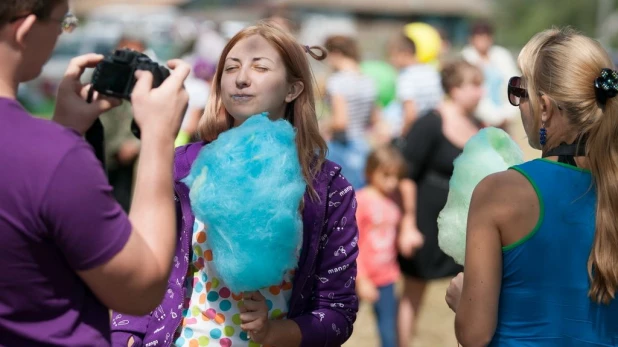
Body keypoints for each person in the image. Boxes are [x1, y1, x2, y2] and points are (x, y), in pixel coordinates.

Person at [111, 22, 359, 347]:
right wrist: (126, 332)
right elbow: (139, 261)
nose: (241, 78)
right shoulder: (182, 167)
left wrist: (275, 333)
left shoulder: (326, 188)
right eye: (231, 68)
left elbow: (337, 312)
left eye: (260, 67)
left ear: (292, 89)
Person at [0, 1, 191, 345]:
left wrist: (67, 130)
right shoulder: (49, 157)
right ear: (24, 30)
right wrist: (159, 136)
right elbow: (140, 289)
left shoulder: (47, 153)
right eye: (63, 23)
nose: (61, 34)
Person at [445, 27, 618, 346]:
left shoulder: (499, 193)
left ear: (545, 107)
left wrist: (461, 300)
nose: (517, 102)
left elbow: (474, 335)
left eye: (519, 90)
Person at [396, 60, 484, 347]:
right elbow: (406, 175)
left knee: (469, 292)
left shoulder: (479, 125)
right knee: (414, 290)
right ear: (455, 88)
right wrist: (408, 223)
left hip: (463, 224)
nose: (481, 92)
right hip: (425, 219)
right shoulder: (430, 122)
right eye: (474, 85)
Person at [355, 146, 407, 347]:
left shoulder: (394, 198)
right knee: (338, 327)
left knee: (388, 333)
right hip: (359, 278)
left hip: (387, 277)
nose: (392, 182)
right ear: (369, 172)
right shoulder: (361, 200)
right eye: (386, 175)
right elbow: (353, 242)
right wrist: (361, 279)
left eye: (396, 176)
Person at [323, 35, 379, 189]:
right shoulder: (368, 80)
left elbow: (341, 121)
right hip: (363, 145)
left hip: (342, 148)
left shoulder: (337, 81)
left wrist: (320, 127)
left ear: (336, 53)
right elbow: (374, 118)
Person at [100, 35, 147, 212]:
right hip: (102, 156)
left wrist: (134, 144)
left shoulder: (146, 82)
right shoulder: (102, 78)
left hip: (129, 161)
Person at [461, 21, 519, 130]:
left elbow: (514, 85)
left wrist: (507, 114)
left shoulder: (501, 55)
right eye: (479, 36)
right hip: (477, 120)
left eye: (485, 36)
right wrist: (491, 117)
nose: (482, 41)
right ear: (471, 39)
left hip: (504, 119)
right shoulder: (467, 58)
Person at [388, 32, 443, 137]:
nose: (392, 60)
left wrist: (402, 136)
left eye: (393, 55)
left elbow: (410, 113)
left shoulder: (405, 76)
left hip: (415, 133)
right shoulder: (431, 71)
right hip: (434, 130)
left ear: (406, 53)